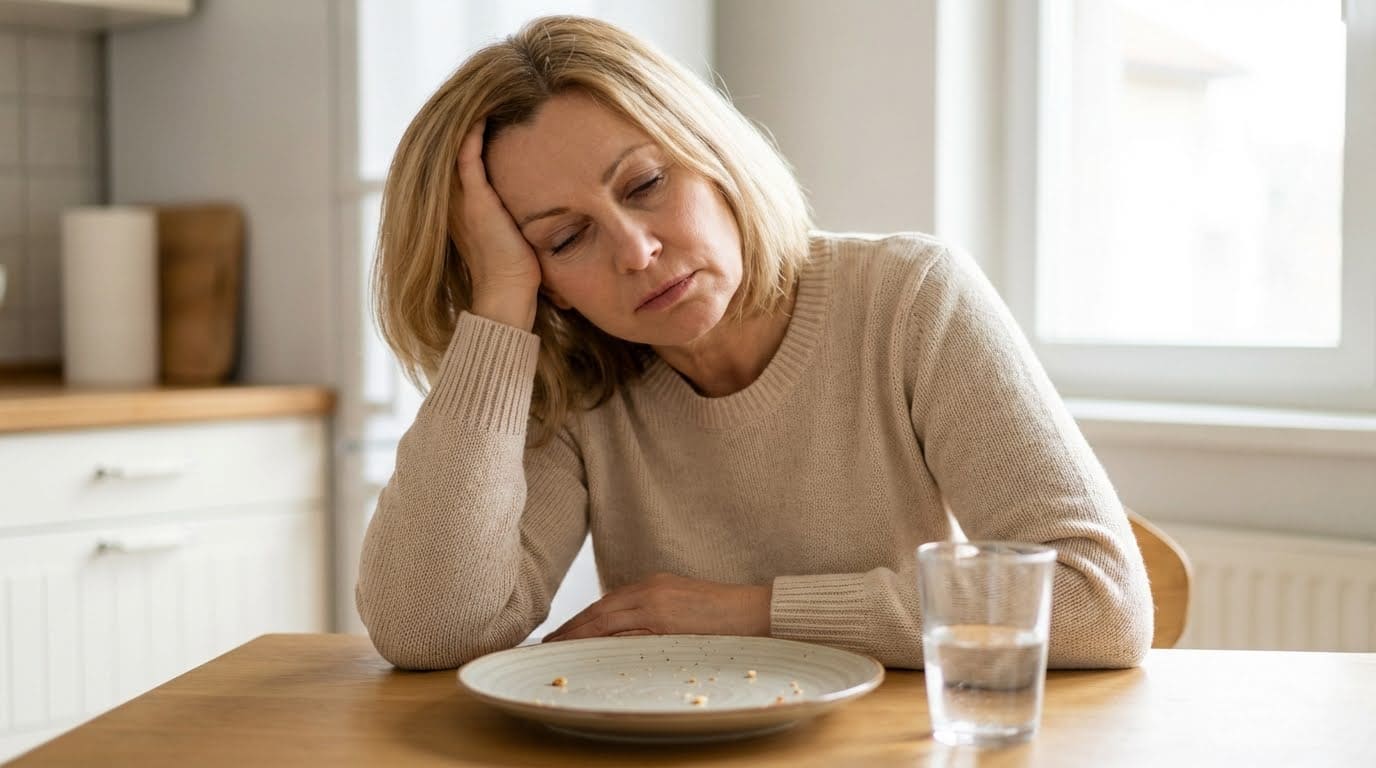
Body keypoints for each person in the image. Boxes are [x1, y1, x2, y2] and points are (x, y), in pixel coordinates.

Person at [357, 14, 1153, 671]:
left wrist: (743, 613)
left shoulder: (911, 297)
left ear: (713, 155)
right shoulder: (580, 375)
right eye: (565, 239)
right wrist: (498, 307)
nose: (635, 251)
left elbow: (1097, 603)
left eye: (645, 184)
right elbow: (430, 631)